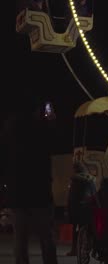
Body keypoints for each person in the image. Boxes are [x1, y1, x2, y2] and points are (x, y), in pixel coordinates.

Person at [2, 101, 58, 264]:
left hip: (17, 195)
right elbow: (54, 141)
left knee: (20, 241)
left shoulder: (9, 134)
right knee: (47, 240)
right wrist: (52, 121)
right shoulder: (41, 132)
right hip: (40, 194)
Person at [65, 162, 96, 256]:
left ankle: (74, 250)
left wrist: (68, 209)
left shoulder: (75, 180)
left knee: (75, 229)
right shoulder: (91, 180)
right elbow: (94, 194)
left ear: (75, 169)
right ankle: (88, 247)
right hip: (88, 208)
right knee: (87, 228)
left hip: (76, 208)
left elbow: (72, 197)